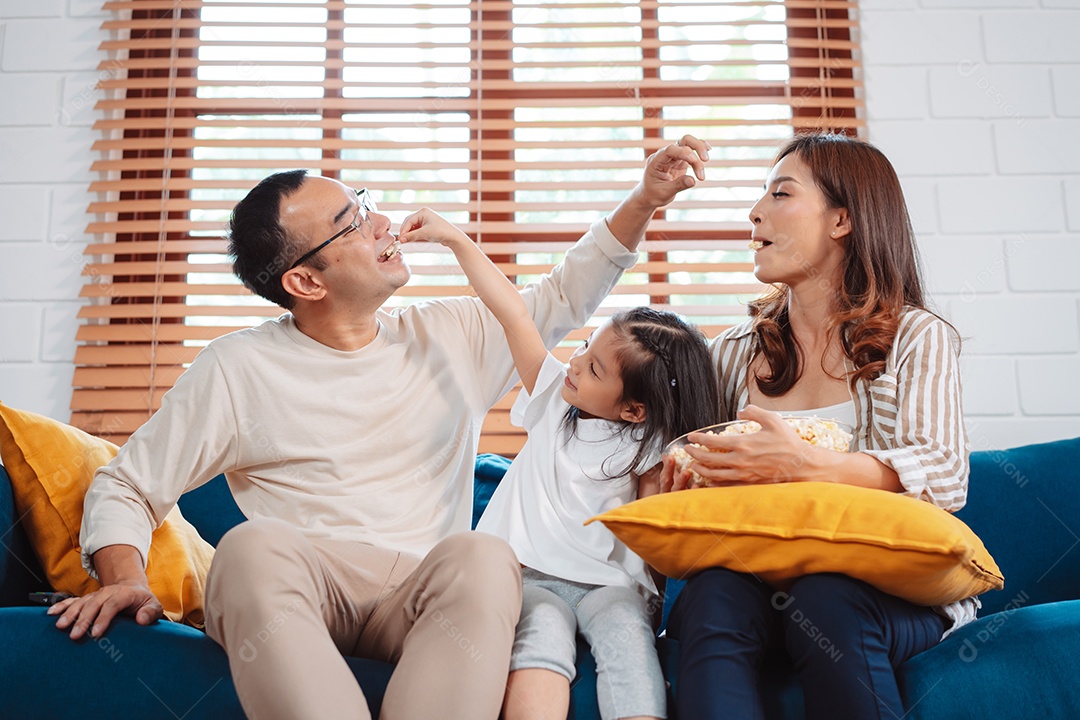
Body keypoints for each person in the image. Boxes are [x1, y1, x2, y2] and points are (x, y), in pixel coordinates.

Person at [49, 138, 710, 720]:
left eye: (365, 205)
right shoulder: (236, 367)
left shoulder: (450, 333)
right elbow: (129, 486)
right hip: (309, 586)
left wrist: (644, 199)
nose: (384, 224)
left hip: (428, 599)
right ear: (306, 280)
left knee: (486, 557)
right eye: (352, 223)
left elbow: (560, 300)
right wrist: (123, 578)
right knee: (248, 550)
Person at [660, 133, 971, 720]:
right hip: (758, 579)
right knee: (709, 598)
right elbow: (686, 470)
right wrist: (680, 485)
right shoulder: (729, 353)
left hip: (881, 587)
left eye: (780, 193)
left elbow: (945, 474)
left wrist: (803, 466)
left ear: (843, 219)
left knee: (826, 596)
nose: (755, 212)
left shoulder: (915, 336)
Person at [397, 209, 719, 720]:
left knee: (630, 644)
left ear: (634, 409)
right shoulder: (552, 400)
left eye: (592, 367)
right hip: (529, 578)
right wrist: (455, 239)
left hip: (610, 585)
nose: (573, 361)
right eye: (585, 346)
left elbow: (654, 534)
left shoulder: (654, 447)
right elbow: (513, 313)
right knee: (539, 645)